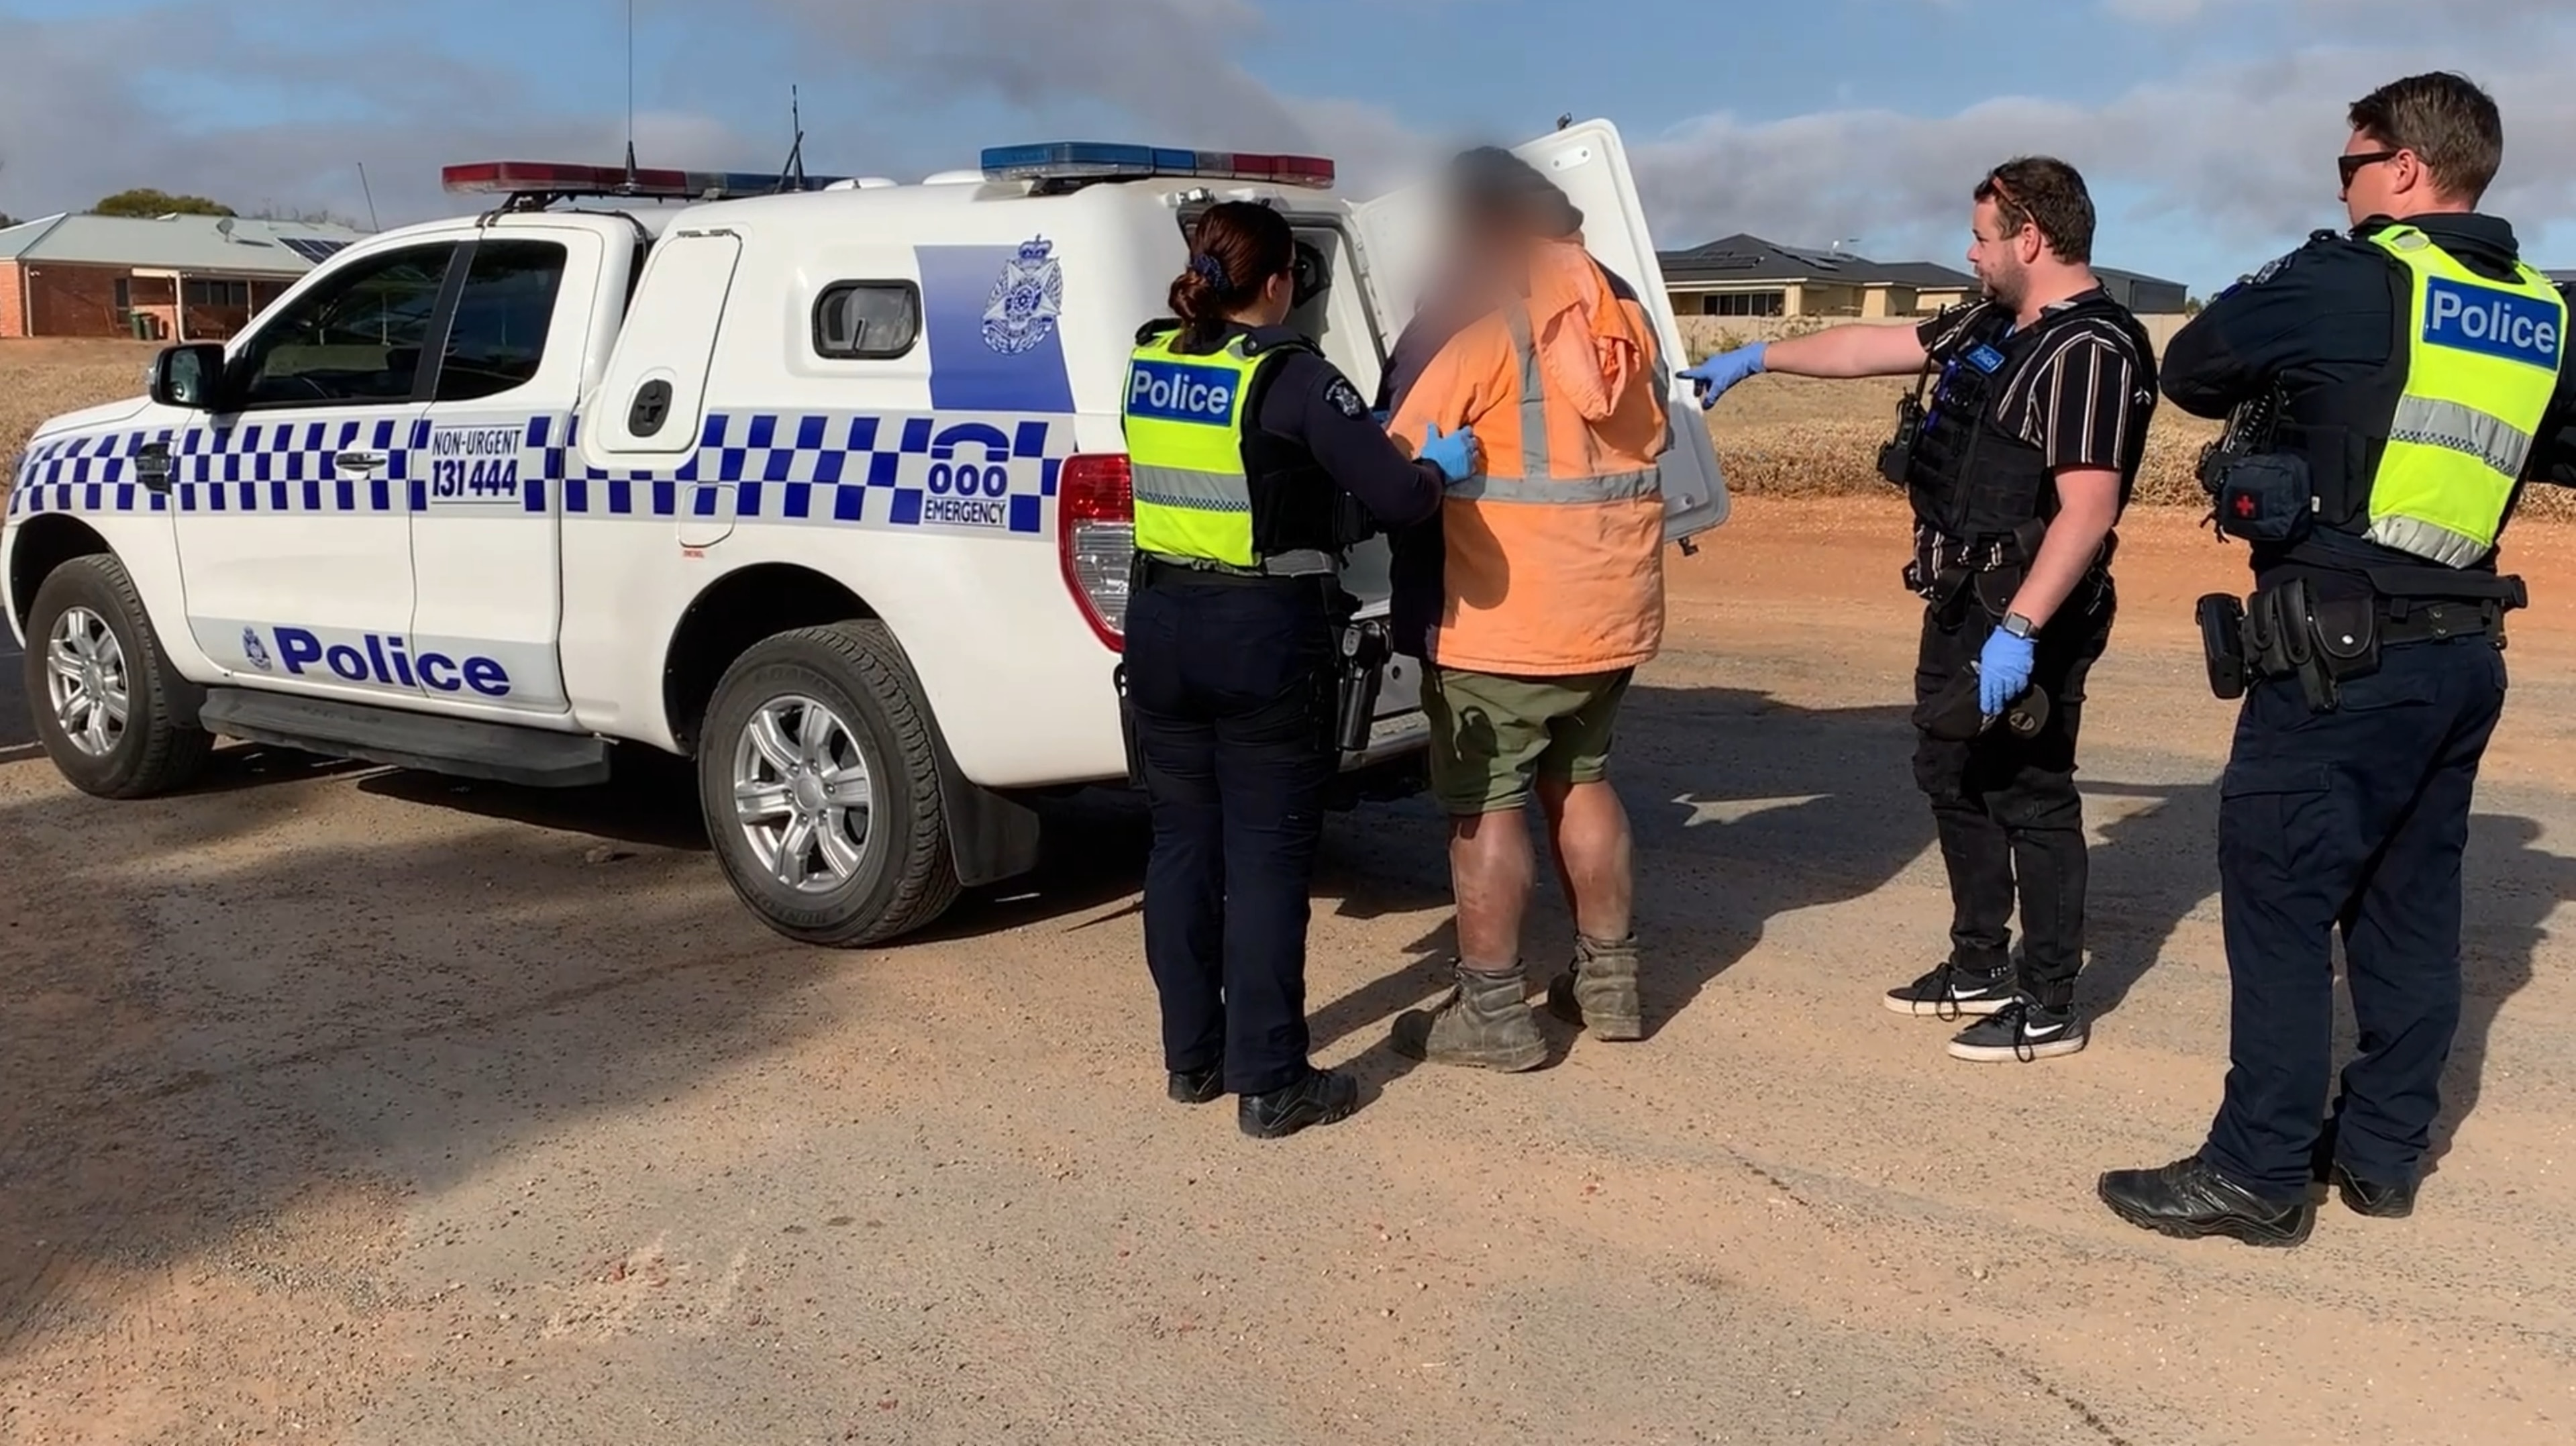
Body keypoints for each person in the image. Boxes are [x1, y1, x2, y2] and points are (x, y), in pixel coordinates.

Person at [2098, 72, 2576, 1244]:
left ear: (2403, 170)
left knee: (2276, 901)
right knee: (2408, 909)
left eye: (2347, 165)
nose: (2341, 184)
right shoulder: (2543, 311)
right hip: (2462, 648)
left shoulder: (2347, 276)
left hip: (2335, 655)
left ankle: (2257, 1171)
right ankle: (2378, 1156)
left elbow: (2192, 369)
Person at [1684, 157, 2159, 1065]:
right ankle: (1977, 961)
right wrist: (1752, 358)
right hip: (1956, 592)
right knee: (1949, 771)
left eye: (1980, 236)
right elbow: (1872, 348)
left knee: (2029, 793)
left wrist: (2019, 629)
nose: (1968, 252)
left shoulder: (2088, 349)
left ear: (2029, 238)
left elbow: (2087, 508)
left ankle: (2049, 997)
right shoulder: (1992, 320)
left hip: (2027, 609)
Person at [1120, 201, 1480, 1139]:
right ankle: (1271, 1078)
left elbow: (1255, 486)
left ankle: (1192, 1058)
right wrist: (1437, 465)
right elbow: (1396, 494)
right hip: (1258, 635)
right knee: (1268, 860)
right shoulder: (1291, 377)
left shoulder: (1151, 355)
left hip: (1159, 627)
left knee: (1182, 851)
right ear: (1280, 282)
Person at [1378, 177, 1673, 1072]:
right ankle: (1609, 985)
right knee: (1581, 779)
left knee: (1487, 803)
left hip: (1500, 619)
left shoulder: (1482, 325)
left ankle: (1491, 1009)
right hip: (1610, 609)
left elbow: (1393, 461)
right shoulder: (1625, 320)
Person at [1374, 146, 1649, 664]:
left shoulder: (1463, 308)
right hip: (1611, 614)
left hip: (1497, 630)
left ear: (1478, 223)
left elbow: (1398, 456)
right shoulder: (1621, 300)